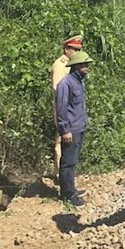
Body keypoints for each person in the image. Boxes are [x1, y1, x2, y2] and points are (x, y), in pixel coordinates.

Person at [55, 50, 93, 207]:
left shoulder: (79, 81)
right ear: (76, 66)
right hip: (71, 129)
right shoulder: (66, 83)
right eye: (85, 64)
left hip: (79, 126)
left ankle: (70, 189)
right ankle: (68, 194)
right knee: (68, 162)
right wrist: (65, 130)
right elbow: (61, 108)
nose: (87, 67)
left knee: (72, 161)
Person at [50, 34, 83, 181]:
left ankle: (67, 179)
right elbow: (58, 90)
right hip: (64, 109)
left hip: (73, 110)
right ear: (66, 48)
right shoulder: (60, 64)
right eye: (73, 49)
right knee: (62, 140)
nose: (75, 52)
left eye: (78, 49)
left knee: (69, 145)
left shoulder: (73, 63)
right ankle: (60, 176)